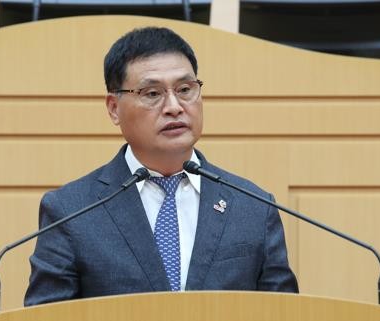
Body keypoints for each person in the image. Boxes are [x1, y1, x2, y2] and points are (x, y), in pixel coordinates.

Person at [24, 26, 298, 306]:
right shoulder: (70, 211)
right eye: (152, 93)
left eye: (185, 90)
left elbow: (284, 319)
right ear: (114, 108)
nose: (174, 106)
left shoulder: (253, 207)